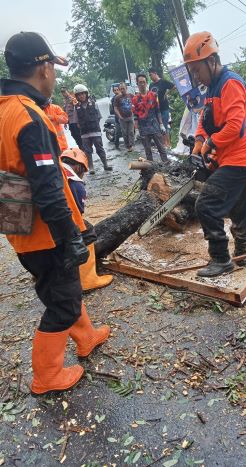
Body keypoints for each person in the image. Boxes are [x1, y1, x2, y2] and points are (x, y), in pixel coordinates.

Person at [0, 31, 110, 395]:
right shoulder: (29, 116)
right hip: (44, 232)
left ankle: (87, 336)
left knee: (62, 290)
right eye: (53, 68)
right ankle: (46, 375)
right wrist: (69, 237)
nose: (55, 76)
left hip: (19, 226)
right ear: (43, 67)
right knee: (61, 302)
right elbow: (48, 189)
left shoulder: (4, 108)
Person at [183, 32, 246, 278]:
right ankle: (242, 246)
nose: (196, 76)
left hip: (240, 159)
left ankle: (220, 258)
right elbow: (205, 119)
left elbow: (236, 126)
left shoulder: (230, 83)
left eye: (197, 70)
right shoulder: (212, 88)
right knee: (237, 205)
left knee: (206, 205)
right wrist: (199, 141)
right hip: (230, 160)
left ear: (211, 60)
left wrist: (212, 142)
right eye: (192, 71)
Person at [59, 148, 113, 291]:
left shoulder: (54, 168)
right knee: (87, 233)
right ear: (78, 166)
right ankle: (88, 280)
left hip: (37, 222)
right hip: (58, 223)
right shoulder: (75, 182)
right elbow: (78, 211)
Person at [73, 84, 112, 174]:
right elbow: (76, 122)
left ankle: (105, 165)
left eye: (82, 94)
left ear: (86, 94)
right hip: (84, 134)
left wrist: (93, 125)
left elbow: (99, 117)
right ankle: (91, 168)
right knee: (87, 151)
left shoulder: (94, 104)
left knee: (100, 149)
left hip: (96, 132)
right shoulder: (76, 108)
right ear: (77, 96)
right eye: (79, 94)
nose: (81, 96)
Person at [132, 74, 168, 162]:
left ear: (146, 83)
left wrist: (161, 124)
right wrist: (136, 130)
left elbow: (158, 111)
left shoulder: (153, 95)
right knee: (148, 152)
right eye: (140, 82)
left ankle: (167, 166)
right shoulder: (135, 99)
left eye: (144, 82)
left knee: (161, 149)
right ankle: (151, 170)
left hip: (154, 126)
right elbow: (135, 116)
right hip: (143, 128)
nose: (142, 84)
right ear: (137, 84)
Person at [149, 68, 175, 148]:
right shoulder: (151, 85)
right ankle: (163, 144)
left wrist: (167, 92)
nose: (150, 77)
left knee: (164, 126)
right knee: (159, 127)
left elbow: (174, 86)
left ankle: (167, 145)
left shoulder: (163, 82)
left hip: (164, 108)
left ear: (155, 73)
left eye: (151, 75)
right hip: (155, 110)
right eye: (149, 75)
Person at [114, 82, 134, 152]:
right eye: (121, 89)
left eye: (123, 88)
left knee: (131, 132)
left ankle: (131, 145)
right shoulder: (117, 98)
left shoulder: (131, 95)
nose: (122, 90)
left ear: (126, 88)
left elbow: (136, 103)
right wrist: (119, 116)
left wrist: (134, 111)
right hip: (122, 118)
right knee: (124, 133)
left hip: (130, 117)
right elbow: (115, 108)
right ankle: (127, 146)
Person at [109, 84, 121, 149]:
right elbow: (114, 109)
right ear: (113, 91)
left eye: (117, 90)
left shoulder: (123, 96)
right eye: (115, 90)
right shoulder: (113, 99)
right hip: (117, 118)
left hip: (125, 117)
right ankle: (117, 145)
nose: (116, 91)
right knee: (117, 132)